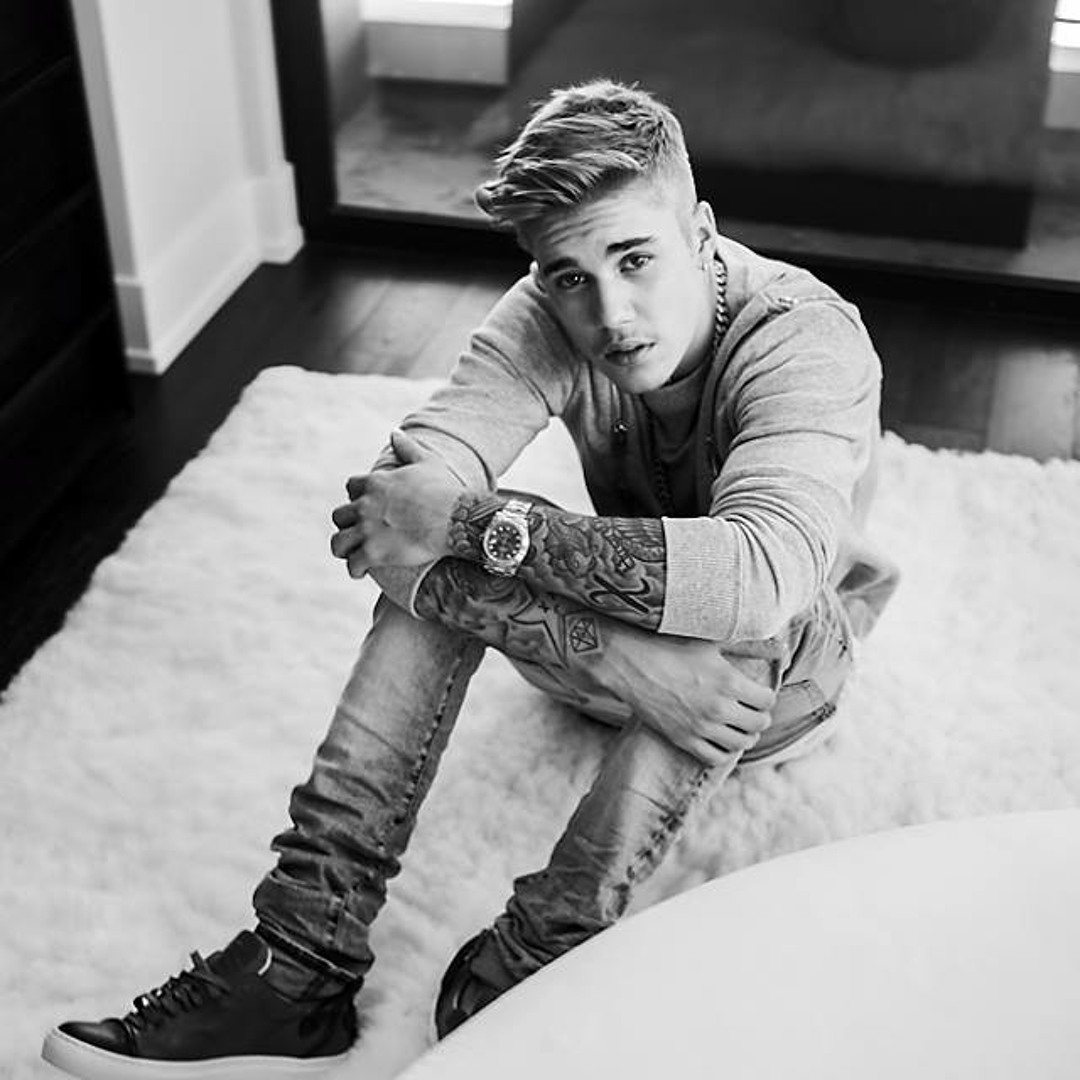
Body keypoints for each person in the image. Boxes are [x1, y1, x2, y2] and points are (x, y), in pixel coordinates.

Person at [42, 79, 898, 1080]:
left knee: (716, 598)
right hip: (640, 671)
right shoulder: (550, 310)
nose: (610, 314)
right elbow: (391, 514)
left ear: (700, 232)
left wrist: (464, 523)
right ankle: (300, 957)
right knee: (439, 527)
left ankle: (551, 941)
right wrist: (620, 659)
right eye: (570, 278)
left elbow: (757, 581)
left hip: (760, 691)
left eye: (635, 260)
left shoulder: (805, 339)